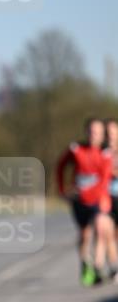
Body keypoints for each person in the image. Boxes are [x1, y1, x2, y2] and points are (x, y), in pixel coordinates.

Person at [56, 118, 113, 285]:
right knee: (85, 234)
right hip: (79, 200)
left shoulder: (105, 153)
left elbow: (105, 178)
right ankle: (85, 263)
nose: (94, 135)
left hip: (98, 200)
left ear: (102, 135)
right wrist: (62, 189)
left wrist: (101, 196)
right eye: (91, 131)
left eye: (98, 132)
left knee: (101, 227)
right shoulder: (76, 149)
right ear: (86, 132)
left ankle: (98, 265)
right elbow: (60, 166)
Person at [104, 118, 118, 281]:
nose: (111, 136)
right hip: (106, 197)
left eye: (113, 132)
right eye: (108, 133)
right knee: (108, 233)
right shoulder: (102, 151)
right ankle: (114, 268)